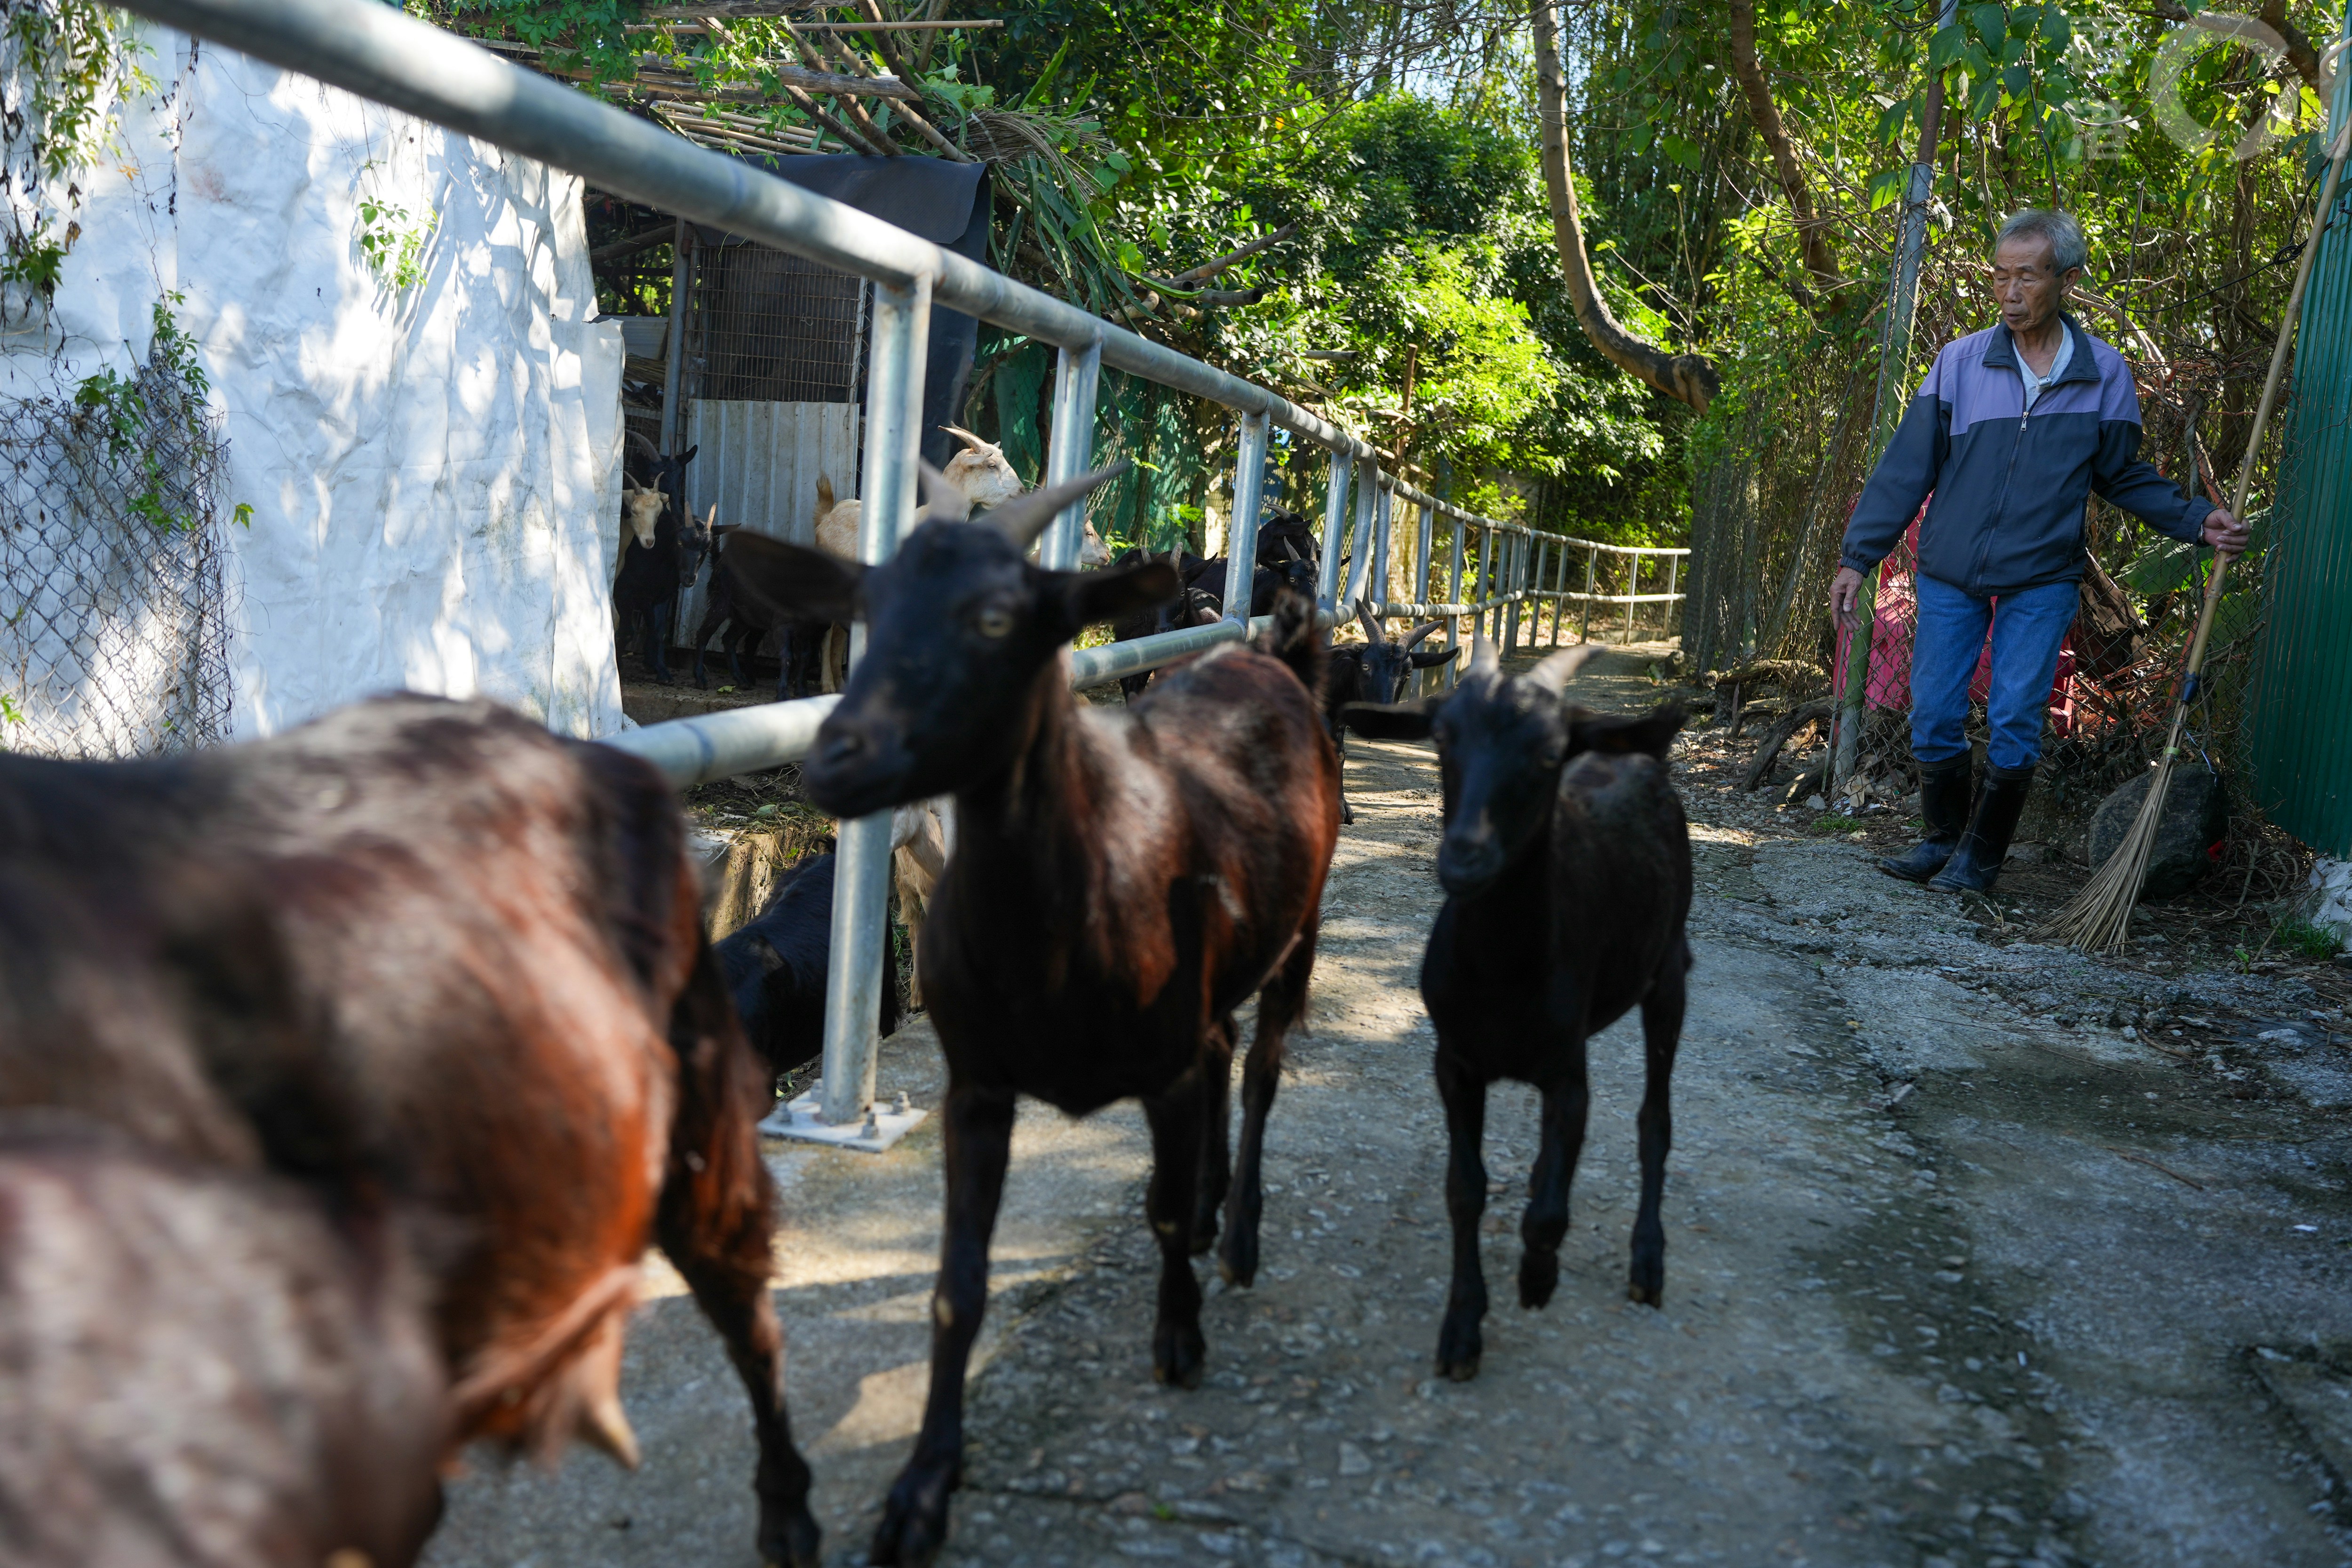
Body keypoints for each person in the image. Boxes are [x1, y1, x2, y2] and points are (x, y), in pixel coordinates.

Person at [1832, 209, 2249, 893]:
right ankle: (1940, 839)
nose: (2009, 290)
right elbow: (1907, 467)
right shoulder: (1960, 363)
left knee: (2016, 716)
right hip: (1951, 572)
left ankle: (1983, 857)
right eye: (2000, 275)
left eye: (2027, 275)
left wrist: (2199, 520)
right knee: (1934, 710)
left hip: (2043, 577)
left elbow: (2123, 476)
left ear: (2069, 280)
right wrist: (1858, 558)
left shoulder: (2104, 373)